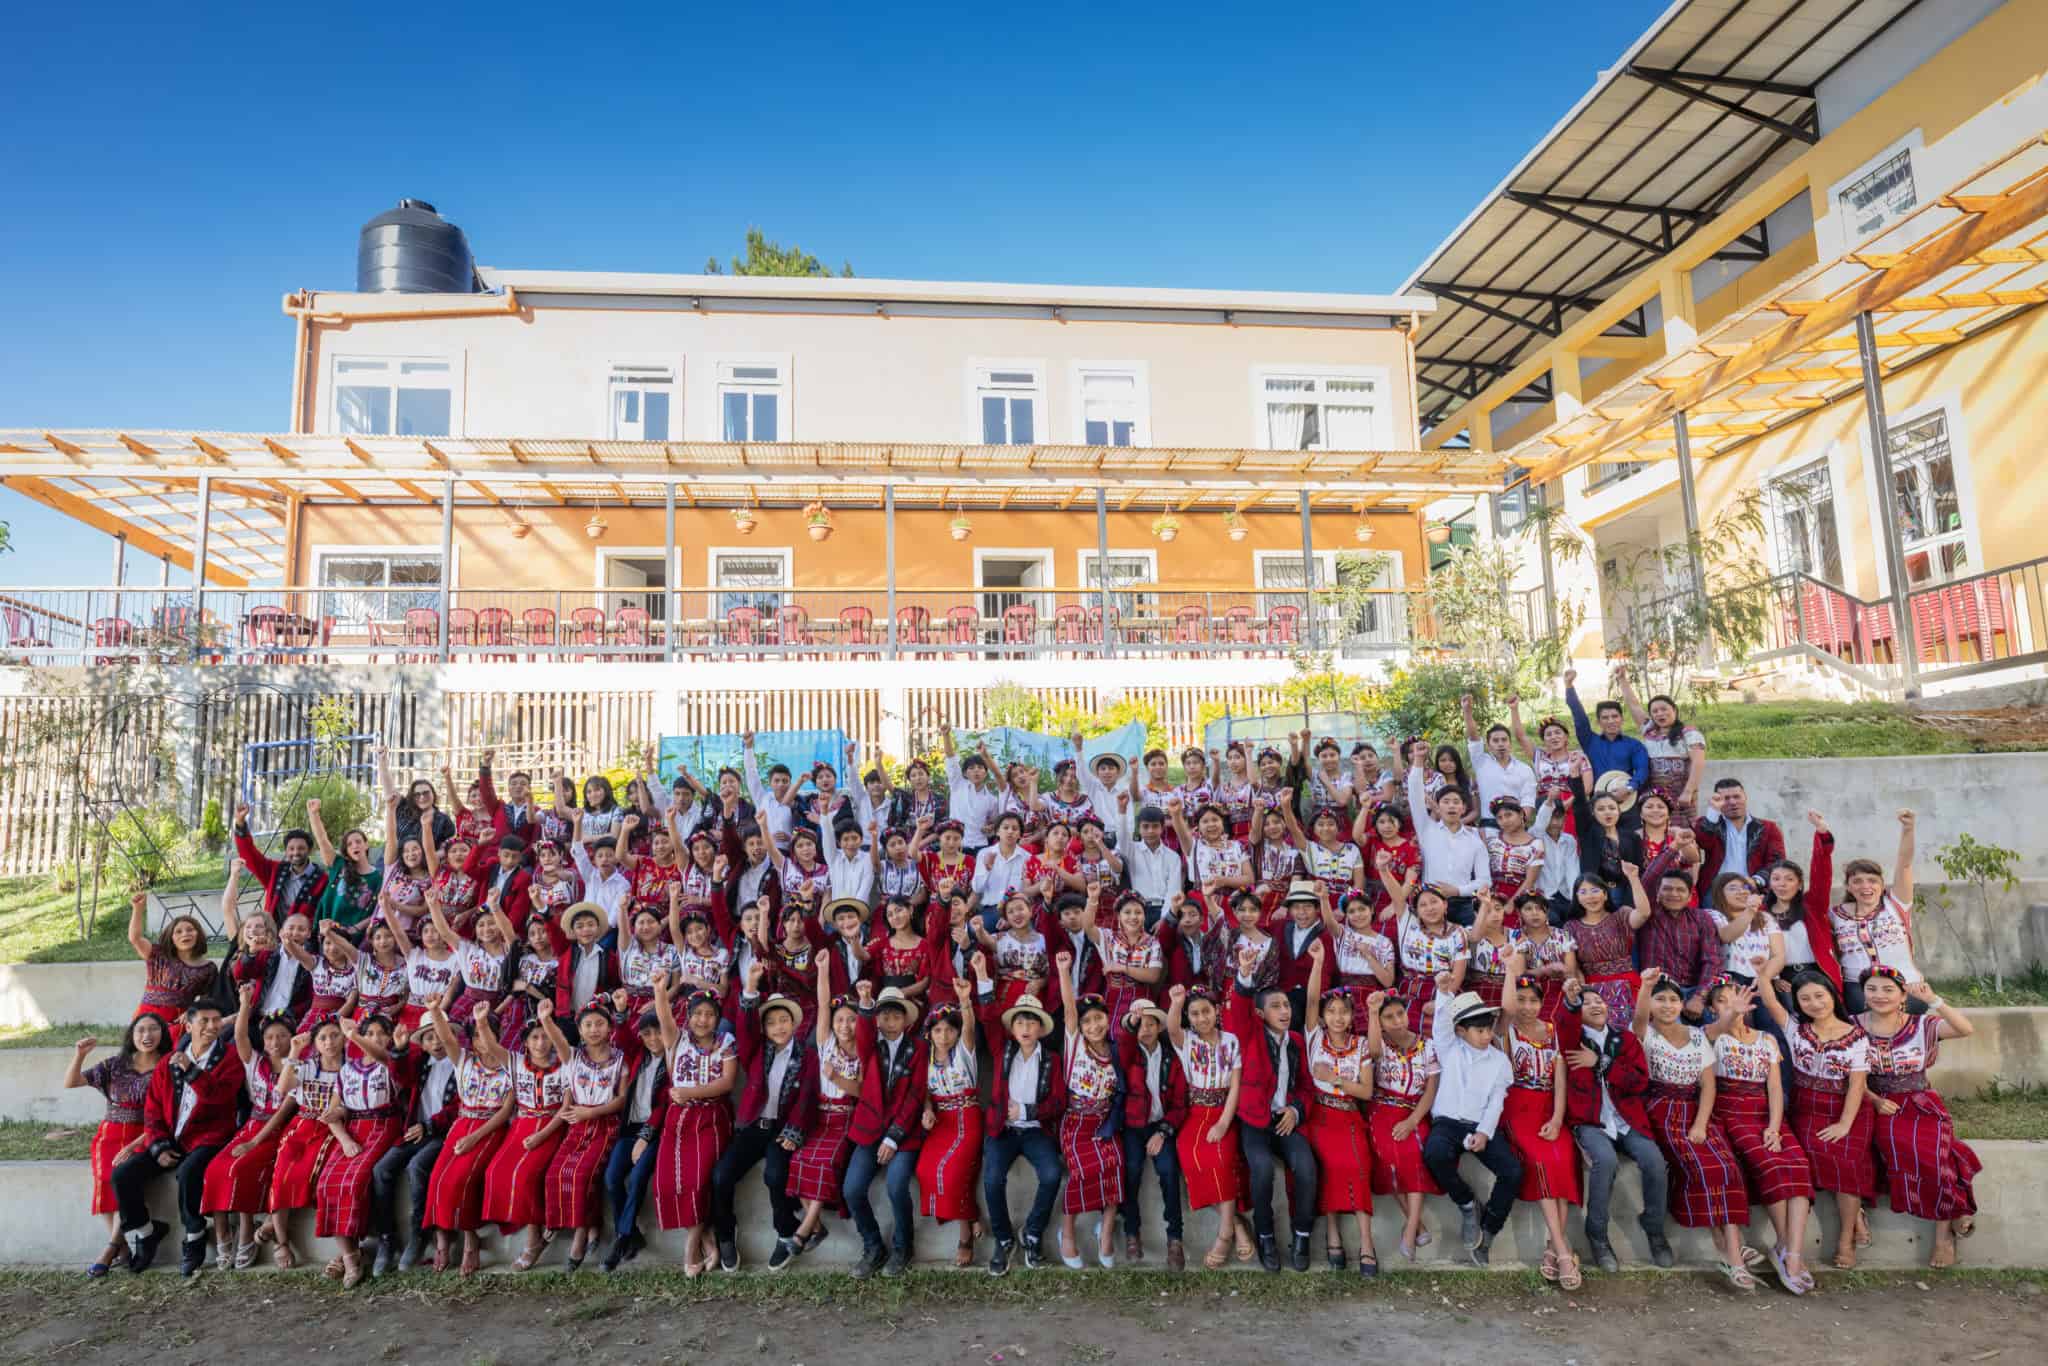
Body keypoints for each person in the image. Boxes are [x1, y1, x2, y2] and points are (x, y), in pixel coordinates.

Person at [1631, 970, 1757, 1289]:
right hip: (1661, 1110)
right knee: (1701, 1166)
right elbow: (1639, 1016)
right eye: (1661, 999)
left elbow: (1708, 1084)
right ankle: (1731, 1252)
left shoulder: (1698, 1035)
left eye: (1674, 999)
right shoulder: (1645, 1033)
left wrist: (1701, 1122)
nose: (1668, 1005)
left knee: (1727, 1167)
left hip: (1696, 1110)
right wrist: (1646, 988)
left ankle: (1731, 1249)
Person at [107, 998, 240, 1276]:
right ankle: (146, 1232)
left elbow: (219, 1097)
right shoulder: (168, 1062)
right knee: (122, 1175)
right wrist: (158, 1146)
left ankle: (194, 1237)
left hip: (210, 1137)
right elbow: (152, 1109)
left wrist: (191, 1071)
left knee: (189, 1172)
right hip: (171, 1138)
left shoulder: (229, 1058)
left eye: (216, 1020)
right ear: (188, 1025)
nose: (211, 1026)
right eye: (204, 1021)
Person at [1858, 967, 1981, 1268]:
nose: (1879, 996)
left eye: (1888, 989)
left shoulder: (1921, 1024)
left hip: (1922, 1101)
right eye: (1872, 989)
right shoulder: (1852, 1027)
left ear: (1902, 995)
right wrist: (1874, 1100)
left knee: (1935, 1154)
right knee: (1908, 1147)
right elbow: (1844, 1073)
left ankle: (1943, 1237)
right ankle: (1958, 1208)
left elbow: (1965, 1029)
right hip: (1878, 1102)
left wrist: (1933, 1000)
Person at [1701, 979, 1815, 1293]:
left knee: (1798, 1167)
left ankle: (1790, 1250)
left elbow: (1775, 1088)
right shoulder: (1711, 1037)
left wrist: (1775, 1127)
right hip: (1731, 1113)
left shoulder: (1766, 1040)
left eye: (1736, 999)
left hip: (1765, 1114)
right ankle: (1784, 1247)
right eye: (1722, 1001)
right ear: (1713, 1009)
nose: (1731, 1005)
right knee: (1773, 1167)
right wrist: (1729, 1015)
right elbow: (1715, 1032)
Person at [1760, 969, 1876, 1271]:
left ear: (1832, 996)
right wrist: (1763, 974)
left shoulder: (1857, 1036)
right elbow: (1771, 1002)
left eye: (1819, 995)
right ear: (1797, 1003)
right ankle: (1857, 1218)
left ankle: (1845, 1240)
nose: (1814, 1003)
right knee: (1807, 1157)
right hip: (1807, 1107)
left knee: (1844, 1159)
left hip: (1845, 1109)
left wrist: (1844, 1125)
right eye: (1805, 998)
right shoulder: (1795, 1028)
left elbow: (1856, 1085)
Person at [1556, 978, 1671, 1272]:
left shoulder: (1626, 1040)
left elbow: (1639, 1081)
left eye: (1599, 1000)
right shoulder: (1572, 1040)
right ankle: (1597, 1234)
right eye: (1586, 1002)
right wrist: (1570, 1002)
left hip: (1626, 1120)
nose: (1595, 1004)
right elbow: (1564, 1022)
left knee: (1654, 1161)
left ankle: (1654, 1228)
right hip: (1590, 1122)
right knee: (1605, 1161)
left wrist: (1602, 1062)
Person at [1224, 937, 1318, 1272]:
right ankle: (1265, 1236)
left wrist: (1296, 1110)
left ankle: (1302, 1234)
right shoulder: (1249, 1034)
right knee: (1261, 1171)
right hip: (1254, 1120)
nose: (1284, 1011)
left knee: (1305, 1168)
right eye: (1276, 1006)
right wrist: (1244, 975)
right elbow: (1238, 1011)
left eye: (1287, 1006)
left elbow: (1307, 1087)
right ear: (1262, 1013)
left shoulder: (1295, 1041)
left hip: (1284, 1119)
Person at [972, 961, 1065, 1276]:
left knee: (1052, 1174)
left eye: (1032, 1022)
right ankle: (1003, 1238)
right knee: (992, 1178)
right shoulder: (1003, 1050)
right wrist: (983, 977)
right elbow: (986, 1018)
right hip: (1004, 1129)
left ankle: (1033, 1232)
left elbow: (1058, 1101)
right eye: (1020, 1022)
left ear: (1040, 1028)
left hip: (1036, 1130)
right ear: (1012, 1029)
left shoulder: (1052, 1060)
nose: (1026, 1028)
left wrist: (1027, 1112)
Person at [1497, 957, 1582, 1288]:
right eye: (1521, 1000)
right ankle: (1563, 1249)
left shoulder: (1552, 1031)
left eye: (1533, 1000)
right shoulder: (1508, 1032)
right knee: (1543, 1161)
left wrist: (1558, 1118)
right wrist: (1510, 971)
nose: (1527, 1006)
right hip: (1519, 1107)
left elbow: (1560, 1079)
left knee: (1562, 1158)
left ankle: (1552, 1248)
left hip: (1549, 1106)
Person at [198, 989, 296, 1272]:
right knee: (215, 1169)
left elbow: (283, 1112)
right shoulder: (256, 1062)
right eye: (269, 1037)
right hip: (252, 1123)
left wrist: (254, 1143)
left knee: (241, 1169)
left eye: (281, 1036)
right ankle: (222, 1236)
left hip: (275, 1130)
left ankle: (244, 1233)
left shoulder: (297, 1067)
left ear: (292, 1038)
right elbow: (240, 1036)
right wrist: (243, 1004)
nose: (275, 1042)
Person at [1420, 984, 1518, 1266]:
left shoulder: (1499, 1061)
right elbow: (1440, 1024)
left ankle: (1488, 1234)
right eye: (1480, 1030)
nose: (1487, 1035)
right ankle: (1466, 1203)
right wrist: (1443, 991)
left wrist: (1484, 1133)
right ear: (1461, 1031)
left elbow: (1496, 1101)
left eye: (1489, 1029)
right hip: (1448, 1123)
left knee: (1511, 1171)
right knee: (1435, 1154)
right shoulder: (1449, 1048)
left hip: (1480, 1125)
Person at [419, 1000, 514, 1276]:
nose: (481, 1041)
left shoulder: (510, 1064)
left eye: (487, 1034)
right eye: (476, 1035)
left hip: (489, 1128)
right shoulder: (463, 1059)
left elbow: (505, 1110)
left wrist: (475, 1138)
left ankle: (471, 1239)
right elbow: (446, 1036)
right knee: (437, 1178)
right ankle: (442, 1240)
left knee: (462, 1180)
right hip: (463, 1123)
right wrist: (435, 1010)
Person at [842, 982, 930, 1279]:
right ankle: (873, 1246)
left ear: (906, 1020)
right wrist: (866, 1002)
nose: (889, 1021)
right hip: (869, 1129)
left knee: (896, 1186)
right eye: (884, 1016)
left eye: (896, 1016)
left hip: (903, 1133)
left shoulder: (918, 1048)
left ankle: (903, 1247)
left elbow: (916, 1095)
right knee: (852, 1189)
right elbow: (864, 1031)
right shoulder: (870, 1045)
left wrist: (894, 1137)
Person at [1300, 946, 1379, 1276]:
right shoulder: (1314, 1036)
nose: (1337, 1017)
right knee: (1328, 1167)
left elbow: (1365, 1090)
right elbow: (1311, 999)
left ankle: (1366, 1242)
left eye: (1343, 1012)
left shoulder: (1360, 1046)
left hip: (1349, 1115)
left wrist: (1333, 1078)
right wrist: (1318, 963)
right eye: (1331, 1011)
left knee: (1360, 1166)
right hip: (1321, 1115)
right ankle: (1332, 1235)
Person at [67, 1015, 166, 1277]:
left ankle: (111, 1248)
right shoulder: (115, 1065)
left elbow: (168, 1116)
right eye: (141, 1029)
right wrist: (80, 1055)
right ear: (132, 1035)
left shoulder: (166, 1068)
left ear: (162, 1034)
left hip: (144, 1133)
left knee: (120, 1181)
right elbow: (72, 1081)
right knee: (103, 1185)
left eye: (153, 1029)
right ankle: (122, 1246)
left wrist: (139, 1141)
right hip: (108, 1134)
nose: (147, 1035)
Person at [536, 998, 628, 1271]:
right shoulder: (573, 1056)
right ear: (579, 1029)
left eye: (599, 1023)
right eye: (587, 1024)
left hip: (605, 1124)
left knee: (583, 1174)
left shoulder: (620, 1059)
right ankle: (586, 1224)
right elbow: (558, 1040)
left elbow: (622, 1099)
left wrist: (593, 1112)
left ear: (610, 1027)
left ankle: (579, 1236)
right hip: (577, 1125)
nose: (593, 1029)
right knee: (555, 1172)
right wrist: (546, 1020)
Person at [314, 1014, 405, 1287]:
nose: (375, 1039)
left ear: (389, 1038)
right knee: (327, 1181)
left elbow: (380, 1056)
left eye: (381, 1033)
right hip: (353, 1130)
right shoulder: (347, 1070)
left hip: (382, 1127)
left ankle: (353, 1254)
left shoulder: (391, 1063)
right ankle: (350, 1255)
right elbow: (337, 1109)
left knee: (354, 1181)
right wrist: (343, 1137)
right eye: (370, 1033)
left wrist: (355, 1036)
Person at [366, 1010, 457, 1274]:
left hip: (441, 1133)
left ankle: (419, 1234)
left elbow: (458, 1107)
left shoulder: (460, 1062)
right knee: (381, 1169)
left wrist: (430, 1126)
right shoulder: (423, 1063)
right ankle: (386, 1238)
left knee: (417, 1166)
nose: (436, 1043)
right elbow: (401, 1076)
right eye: (429, 1038)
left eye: (440, 1036)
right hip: (415, 1131)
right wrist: (401, 1048)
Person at [478, 1003, 567, 1272]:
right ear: (525, 1043)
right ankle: (524, 1225)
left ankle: (533, 1241)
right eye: (535, 1037)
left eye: (545, 1036)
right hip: (523, 1124)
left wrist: (542, 1134)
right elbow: (492, 1047)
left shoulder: (565, 1063)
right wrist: (482, 1021)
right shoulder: (516, 1062)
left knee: (528, 1175)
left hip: (553, 1125)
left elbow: (565, 1109)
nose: (541, 1043)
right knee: (495, 1171)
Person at [786, 963, 864, 1265]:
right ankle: (816, 1226)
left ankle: (805, 1228)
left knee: (826, 1163)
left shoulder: (863, 1050)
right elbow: (822, 1003)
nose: (845, 1025)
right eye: (840, 1019)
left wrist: (838, 1080)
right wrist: (821, 971)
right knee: (799, 1160)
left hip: (844, 1119)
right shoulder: (826, 1042)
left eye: (851, 1020)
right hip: (820, 1117)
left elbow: (860, 1091)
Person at [1053, 953, 1124, 1268]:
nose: (1094, 1025)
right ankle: (1066, 1233)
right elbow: (1069, 1009)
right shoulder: (1076, 1045)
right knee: (1082, 1171)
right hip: (1077, 1122)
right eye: (1087, 1021)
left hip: (1104, 1122)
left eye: (1099, 1018)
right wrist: (1064, 971)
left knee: (1116, 1165)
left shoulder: (1116, 1050)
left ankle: (1106, 1231)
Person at [263, 1016, 346, 1270]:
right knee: (281, 1174)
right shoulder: (307, 1065)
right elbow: (283, 1087)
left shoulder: (350, 1068)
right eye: (322, 1038)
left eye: (334, 1036)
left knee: (318, 1173)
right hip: (301, 1125)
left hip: (331, 1128)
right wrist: (295, 1051)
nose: (329, 1042)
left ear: (344, 1038)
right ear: (316, 1044)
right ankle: (281, 1241)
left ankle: (346, 1252)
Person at [1363, 988, 1439, 1261]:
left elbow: (1431, 1089)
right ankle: (1416, 1224)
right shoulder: (1380, 1043)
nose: (1396, 1020)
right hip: (1383, 1110)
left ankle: (1410, 1229)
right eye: (1389, 1017)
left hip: (1416, 1112)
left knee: (1415, 1155)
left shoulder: (1427, 1045)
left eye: (1400, 1014)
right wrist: (1373, 1012)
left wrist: (1412, 1121)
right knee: (1388, 1157)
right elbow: (1371, 1051)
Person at [917, 974, 985, 1267]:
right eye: (938, 1031)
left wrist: (965, 1001)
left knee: (954, 1170)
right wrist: (927, 1108)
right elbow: (922, 1092)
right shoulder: (926, 1059)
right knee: (925, 1168)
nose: (943, 1036)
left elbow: (969, 1025)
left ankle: (966, 1233)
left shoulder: (964, 1053)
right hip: (942, 1120)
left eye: (949, 1030)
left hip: (967, 1117)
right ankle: (971, 1215)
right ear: (930, 1034)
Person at [1115, 996, 1186, 1270]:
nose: (1144, 1029)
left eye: (1150, 1023)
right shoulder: (1129, 1055)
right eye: (1139, 1024)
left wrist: (1164, 1132)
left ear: (1159, 1027)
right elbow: (1123, 1045)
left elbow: (1180, 1104)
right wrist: (1130, 1024)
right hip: (1133, 1127)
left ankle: (1175, 1239)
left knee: (1168, 1172)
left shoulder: (1171, 1059)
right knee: (1130, 1170)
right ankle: (1132, 1233)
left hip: (1160, 1126)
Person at [602, 998, 671, 1272]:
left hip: (655, 1133)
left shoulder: (674, 1059)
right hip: (630, 1129)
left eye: (658, 1031)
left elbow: (664, 1103)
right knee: (612, 1179)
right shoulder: (638, 1056)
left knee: (640, 1175)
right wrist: (620, 1012)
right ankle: (631, 1234)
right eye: (647, 1033)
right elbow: (622, 1038)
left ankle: (622, 1237)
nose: (653, 1038)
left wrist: (646, 1136)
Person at [1831, 811, 1923, 1013]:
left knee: (1905, 1036)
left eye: (1872, 880)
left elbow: (1905, 864)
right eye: (1857, 881)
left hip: (1906, 984)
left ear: (1882, 885)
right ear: (1848, 887)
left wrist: (1908, 829)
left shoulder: (1896, 904)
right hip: (1858, 988)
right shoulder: (1835, 915)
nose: (1866, 886)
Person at [1402, 750, 1487, 926]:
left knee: (1469, 944)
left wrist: (1458, 890)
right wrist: (1418, 759)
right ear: (1438, 807)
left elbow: (1485, 880)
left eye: (1456, 802)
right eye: (1446, 802)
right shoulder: (1427, 829)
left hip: (1464, 904)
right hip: (1430, 902)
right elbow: (1414, 793)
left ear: (1463, 808)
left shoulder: (1474, 839)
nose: (1451, 806)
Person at [1614, 665, 1706, 820]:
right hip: (1652, 797)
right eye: (1655, 711)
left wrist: (1689, 791)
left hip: (1681, 795)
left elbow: (1698, 763)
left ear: (1674, 711)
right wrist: (1622, 679)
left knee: (1682, 835)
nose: (1660, 714)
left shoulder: (1690, 733)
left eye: (1664, 709)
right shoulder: (1648, 730)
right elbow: (1634, 705)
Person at [126, 890, 217, 1031]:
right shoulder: (158, 955)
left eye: (190, 930)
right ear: (171, 938)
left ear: (198, 934)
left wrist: (193, 1011)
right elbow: (135, 938)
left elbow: (208, 999)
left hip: (178, 1024)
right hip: (146, 1018)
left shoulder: (208, 968)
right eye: (178, 931)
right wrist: (138, 909)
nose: (185, 934)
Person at [1563, 669, 1650, 806]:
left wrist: (1629, 787)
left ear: (1622, 719)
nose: (1611, 721)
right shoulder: (1589, 741)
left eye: (1615, 716)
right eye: (1605, 717)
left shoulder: (1634, 745)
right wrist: (1569, 686)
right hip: (1597, 804)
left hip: (1626, 800)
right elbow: (1579, 717)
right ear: (1598, 722)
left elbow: (1642, 769)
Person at [233, 805, 330, 926]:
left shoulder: (322, 880)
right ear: (286, 851)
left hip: (302, 939)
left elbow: (324, 914)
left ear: (310, 850)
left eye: (301, 848)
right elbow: (250, 856)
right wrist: (240, 823)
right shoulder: (275, 871)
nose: (295, 852)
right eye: (291, 848)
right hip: (272, 936)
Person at [307, 797, 381, 935]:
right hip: (328, 933)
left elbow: (377, 911)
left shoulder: (378, 877)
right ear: (346, 851)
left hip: (356, 937)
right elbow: (322, 839)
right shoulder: (339, 865)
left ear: (366, 844)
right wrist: (314, 814)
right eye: (350, 844)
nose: (355, 845)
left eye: (358, 841)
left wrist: (355, 929)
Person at [1693, 778, 1787, 882]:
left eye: (1737, 796)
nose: (1732, 802)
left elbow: (1777, 861)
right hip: (1716, 889)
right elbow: (1703, 842)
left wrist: (1757, 881)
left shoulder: (1769, 828)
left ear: (1745, 797)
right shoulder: (1709, 823)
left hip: (1753, 887)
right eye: (1726, 798)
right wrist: (1713, 811)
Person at [1462, 695, 1537, 820]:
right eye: (1495, 741)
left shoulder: (1524, 769)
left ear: (1510, 743)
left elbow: (1528, 800)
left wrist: (1519, 825)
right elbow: (1473, 737)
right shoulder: (1481, 762)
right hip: (1489, 826)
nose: (1500, 744)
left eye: (1504, 740)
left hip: (1517, 825)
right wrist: (1467, 711)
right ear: (1489, 745)